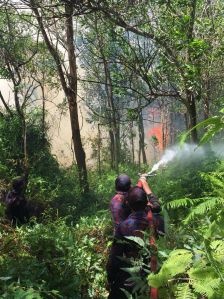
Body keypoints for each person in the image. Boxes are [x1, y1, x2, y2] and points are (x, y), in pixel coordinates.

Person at [107, 186, 151, 299]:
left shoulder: (124, 226)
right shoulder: (156, 220)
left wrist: (111, 278)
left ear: (128, 204)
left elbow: (115, 258)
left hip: (131, 274)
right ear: (147, 203)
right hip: (154, 272)